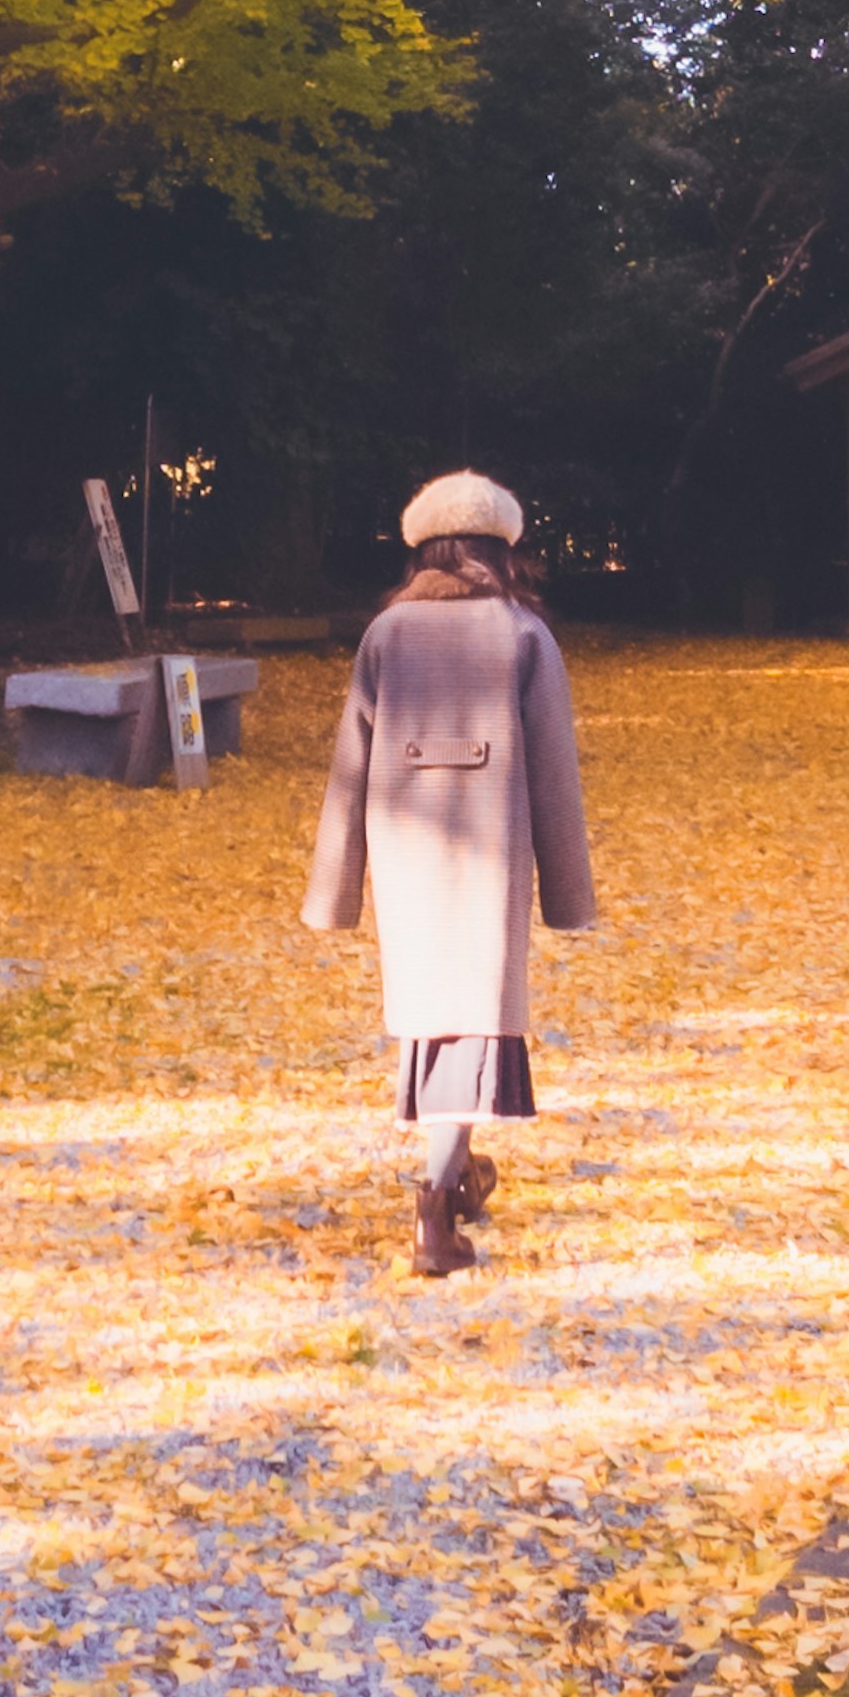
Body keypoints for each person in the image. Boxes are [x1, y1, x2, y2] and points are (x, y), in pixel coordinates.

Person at [302, 467, 596, 1276]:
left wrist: (335, 892)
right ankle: (434, 1207)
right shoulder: (521, 633)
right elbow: (554, 770)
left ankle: (458, 1174)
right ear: (501, 551)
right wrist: (568, 897)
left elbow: (348, 767)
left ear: (425, 550)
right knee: (475, 1016)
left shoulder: (385, 634)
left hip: (407, 850)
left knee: (435, 1011)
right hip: (489, 849)